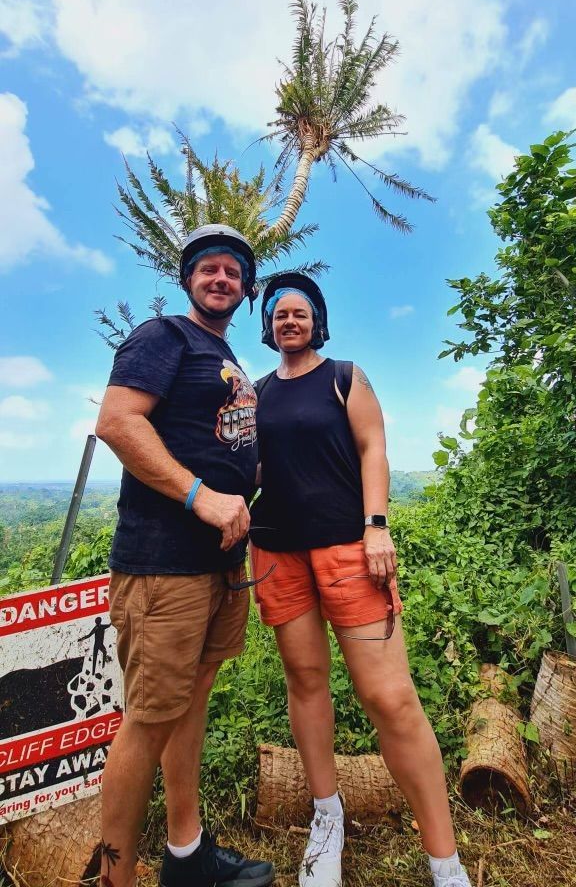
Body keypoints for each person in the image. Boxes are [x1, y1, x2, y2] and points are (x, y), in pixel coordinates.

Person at [250, 273, 471, 887]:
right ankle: (328, 818)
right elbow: (251, 467)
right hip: (277, 553)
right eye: (278, 313)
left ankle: (446, 862)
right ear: (268, 326)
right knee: (305, 681)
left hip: (349, 549)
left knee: (390, 697)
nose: (289, 320)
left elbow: (374, 448)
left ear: (317, 321)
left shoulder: (345, 377)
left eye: (299, 312)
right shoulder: (257, 392)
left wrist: (378, 526)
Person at [95, 225, 275, 887]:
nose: (221, 278)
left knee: (190, 703)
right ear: (188, 280)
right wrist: (201, 495)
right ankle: (113, 878)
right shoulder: (164, 336)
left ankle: (186, 854)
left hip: (219, 564)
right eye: (209, 268)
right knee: (148, 719)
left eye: (233, 271)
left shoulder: (224, 356)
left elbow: (227, 443)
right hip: (162, 563)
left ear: (245, 290)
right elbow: (118, 422)